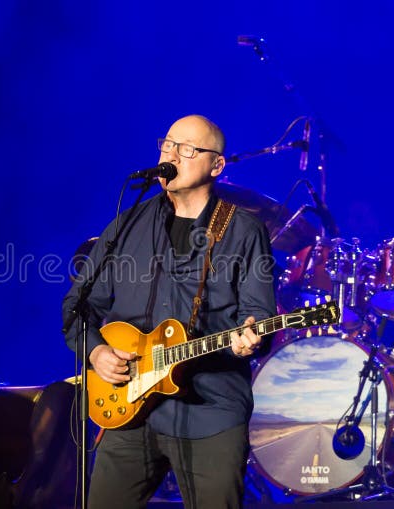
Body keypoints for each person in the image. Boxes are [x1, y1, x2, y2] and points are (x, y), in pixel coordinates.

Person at [62, 114, 277, 509]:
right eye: (167, 145)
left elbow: (257, 314)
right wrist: (96, 352)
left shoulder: (243, 231)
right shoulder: (127, 226)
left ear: (216, 165)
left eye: (187, 149)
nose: (172, 155)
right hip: (128, 409)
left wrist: (249, 338)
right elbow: (77, 307)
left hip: (210, 410)